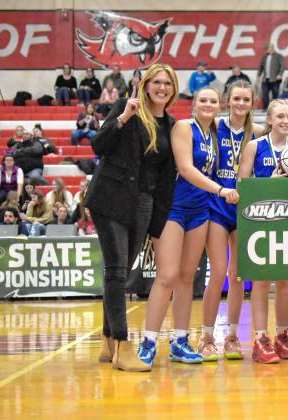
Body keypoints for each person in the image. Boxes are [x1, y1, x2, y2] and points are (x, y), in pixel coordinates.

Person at [85, 63, 179, 372]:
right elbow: (99, 145)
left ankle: (107, 338)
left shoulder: (170, 124)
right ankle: (123, 346)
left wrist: (157, 223)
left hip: (144, 203)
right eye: (157, 82)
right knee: (115, 270)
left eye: (167, 82)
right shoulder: (128, 108)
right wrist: (123, 118)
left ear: (174, 87)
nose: (161, 87)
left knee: (121, 271)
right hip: (111, 198)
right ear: (146, 84)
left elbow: (167, 177)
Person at [137, 87, 239, 368]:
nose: (208, 104)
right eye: (203, 100)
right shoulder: (184, 127)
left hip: (200, 211)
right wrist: (220, 190)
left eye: (213, 101)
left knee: (186, 278)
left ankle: (180, 341)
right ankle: (148, 340)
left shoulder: (216, 135)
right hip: (173, 208)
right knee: (167, 276)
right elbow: (185, 168)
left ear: (220, 106)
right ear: (194, 104)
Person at [205, 81, 263, 361]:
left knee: (237, 275)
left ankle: (231, 336)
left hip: (245, 208)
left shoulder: (258, 134)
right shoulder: (214, 127)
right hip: (217, 205)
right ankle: (206, 336)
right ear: (227, 100)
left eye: (246, 99)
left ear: (252, 103)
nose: (241, 104)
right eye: (236, 99)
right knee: (217, 273)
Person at [238, 100, 288, 364]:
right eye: (280, 116)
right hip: (260, 220)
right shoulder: (255, 146)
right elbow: (241, 182)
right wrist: (267, 185)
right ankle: (260, 337)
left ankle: (282, 335)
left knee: (285, 281)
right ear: (270, 120)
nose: (285, 120)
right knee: (261, 281)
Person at [256, 43, 285, 109]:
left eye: (267, 49)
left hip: (275, 79)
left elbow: (282, 66)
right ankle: (265, 108)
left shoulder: (279, 56)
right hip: (265, 79)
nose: (266, 50)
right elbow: (261, 67)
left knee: (275, 94)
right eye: (266, 49)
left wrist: (280, 74)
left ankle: (275, 108)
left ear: (272, 48)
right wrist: (258, 75)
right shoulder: (264, 57)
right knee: (264, 94)